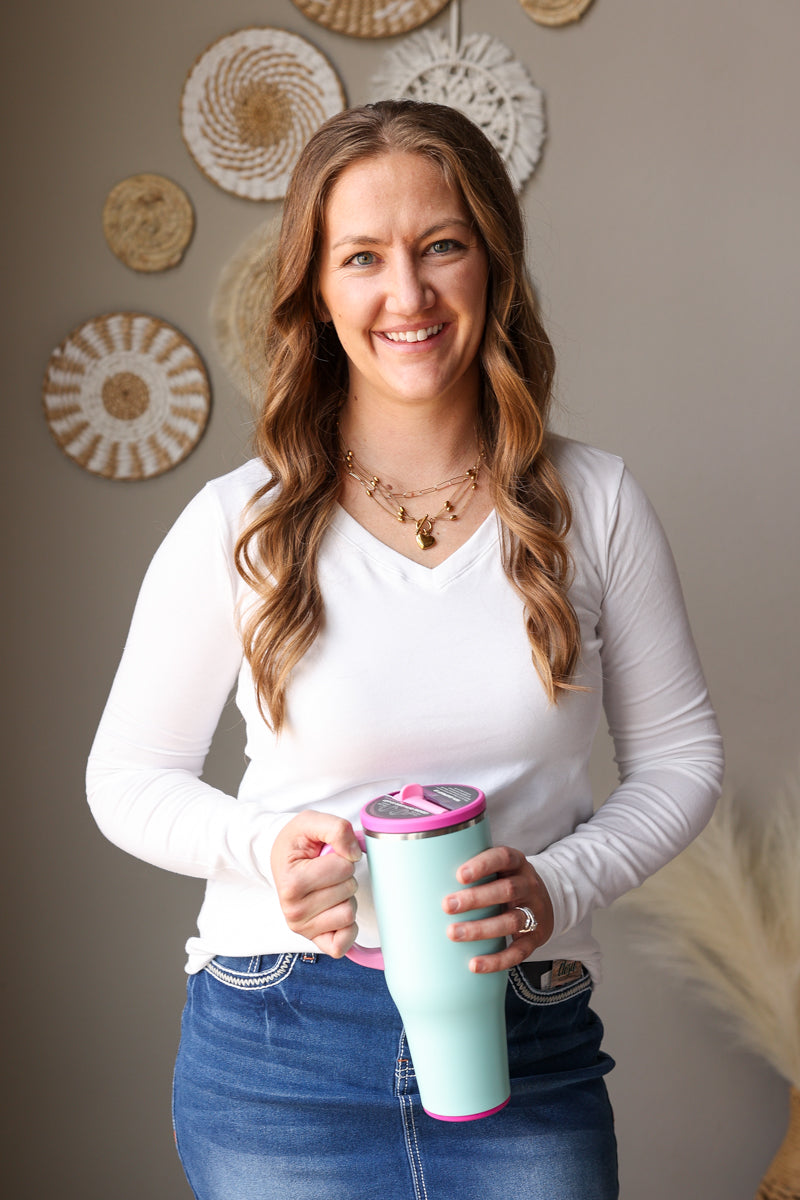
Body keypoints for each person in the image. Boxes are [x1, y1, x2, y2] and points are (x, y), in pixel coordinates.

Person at [86, 100, 724, 1200]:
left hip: (524, 1038)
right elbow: (126, 778)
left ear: (494, 266)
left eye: (440, 246)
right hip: (280, 1051)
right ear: (316, 292)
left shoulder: (596, 503)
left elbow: (682, 758)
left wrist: (556, 884)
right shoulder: (237, 523)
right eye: (362, 258)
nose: (408, 294)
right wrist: (266, 848)